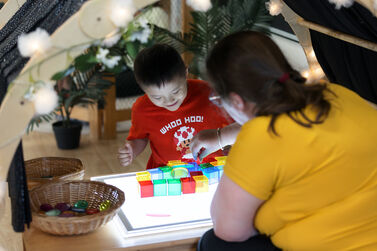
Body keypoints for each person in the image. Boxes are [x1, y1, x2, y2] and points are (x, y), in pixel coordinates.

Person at [195, 31, 377, 251]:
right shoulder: (336, 94)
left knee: (213, 243)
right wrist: (220, 136)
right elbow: (296, 129)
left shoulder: (261, 136)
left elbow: (228, 229)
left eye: (218, 101)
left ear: (236, 100)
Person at [118, 44, 232, 169]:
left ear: (186, 73)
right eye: (157, 97)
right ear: (143, 88)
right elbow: (140, 138)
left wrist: (229, 145)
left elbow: (234, 126)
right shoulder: (142, 110)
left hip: (212, 168)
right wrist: (132, 150)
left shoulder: (209, 94)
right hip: (166, 172)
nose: (168, 100)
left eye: (176, 91)